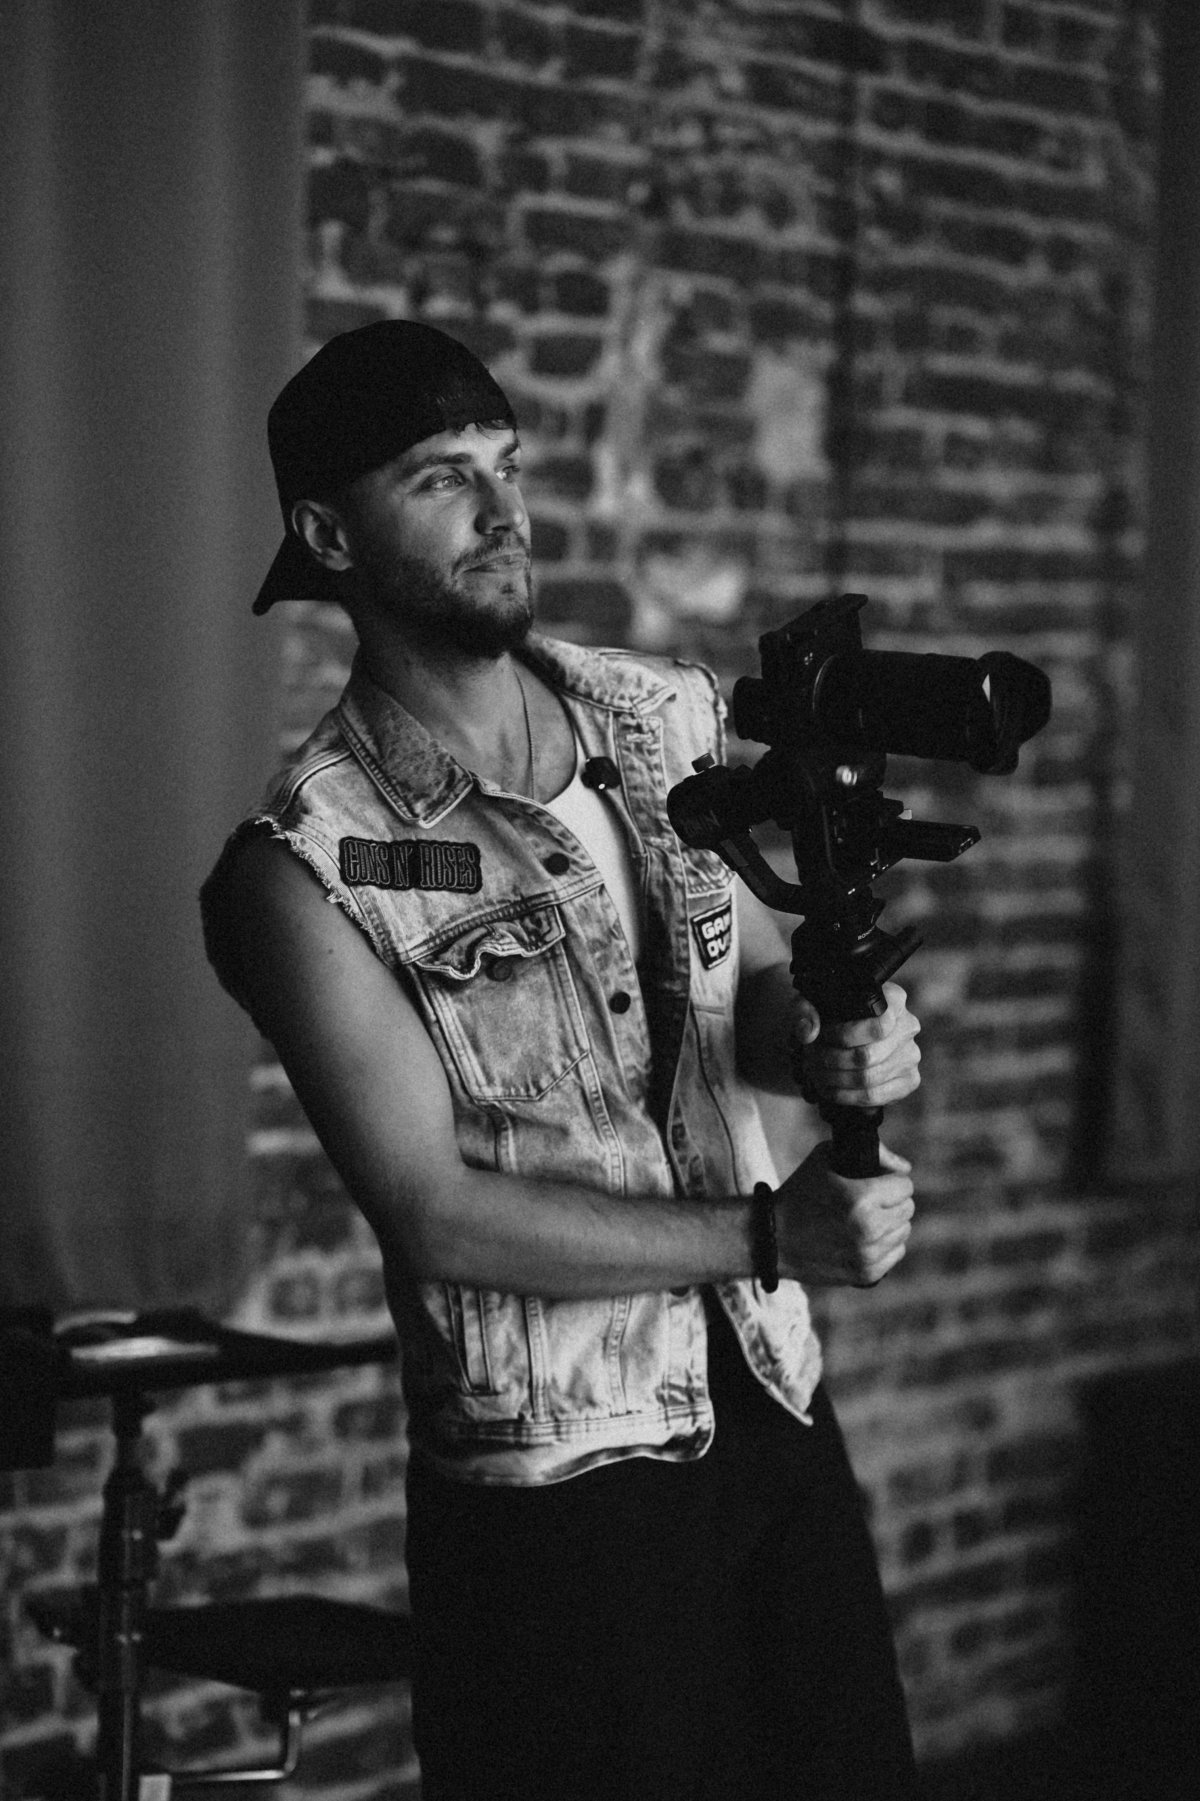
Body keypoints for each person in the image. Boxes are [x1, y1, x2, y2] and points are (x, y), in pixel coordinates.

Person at [201, 321, 923, 1800]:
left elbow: (750, 994)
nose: (501, 508)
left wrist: (833, 1041)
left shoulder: (660, 720)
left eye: (508, 464)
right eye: (442, 478)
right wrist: (772, 1236)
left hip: (770, 1401)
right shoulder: (307, 865)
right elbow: (436, 1212)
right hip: (555, 1488)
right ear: (328, 536)